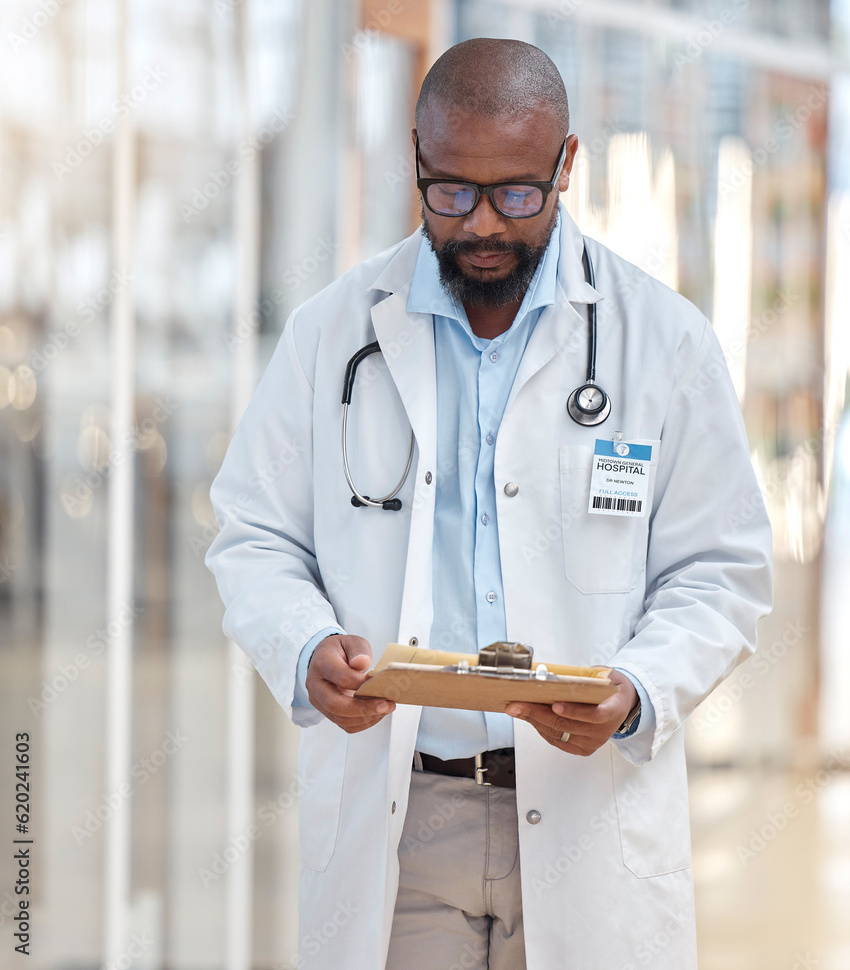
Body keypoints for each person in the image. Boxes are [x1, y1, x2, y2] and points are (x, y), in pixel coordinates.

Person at [206, 37, 772, 970]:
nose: (482, 224)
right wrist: (305, 646)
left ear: (566, 165)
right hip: (404, 814)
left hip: (587, 813)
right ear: (418, 159)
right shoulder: (332, 334)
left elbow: (722, 568)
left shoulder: (662, 342)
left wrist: (638, 688)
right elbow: (254, 536)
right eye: (452, 190)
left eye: (517, 192)